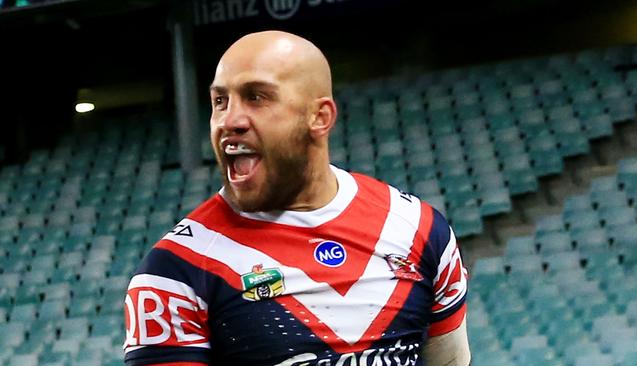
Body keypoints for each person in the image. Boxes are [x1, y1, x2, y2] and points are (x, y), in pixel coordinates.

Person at [123, 30, 471, 366]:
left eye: (256, 97)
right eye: (220, 101)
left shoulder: (419, 229)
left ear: (319, 117)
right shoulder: (176, 269)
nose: (229, 120)